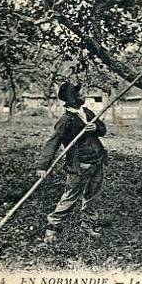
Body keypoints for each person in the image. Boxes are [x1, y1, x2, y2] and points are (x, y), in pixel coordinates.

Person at [36, 82, 107, 244]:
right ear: (73, 98)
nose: (84, 96)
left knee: (92, 195)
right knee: (70, 197)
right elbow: (53, 142)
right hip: (79, 165)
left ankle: (87, 225)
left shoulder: (87, 112)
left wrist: (95, 127)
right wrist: (42, 165)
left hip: (97, 161)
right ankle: (52, 229)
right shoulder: (66, 120)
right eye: (81, 94)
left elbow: (103, 130)